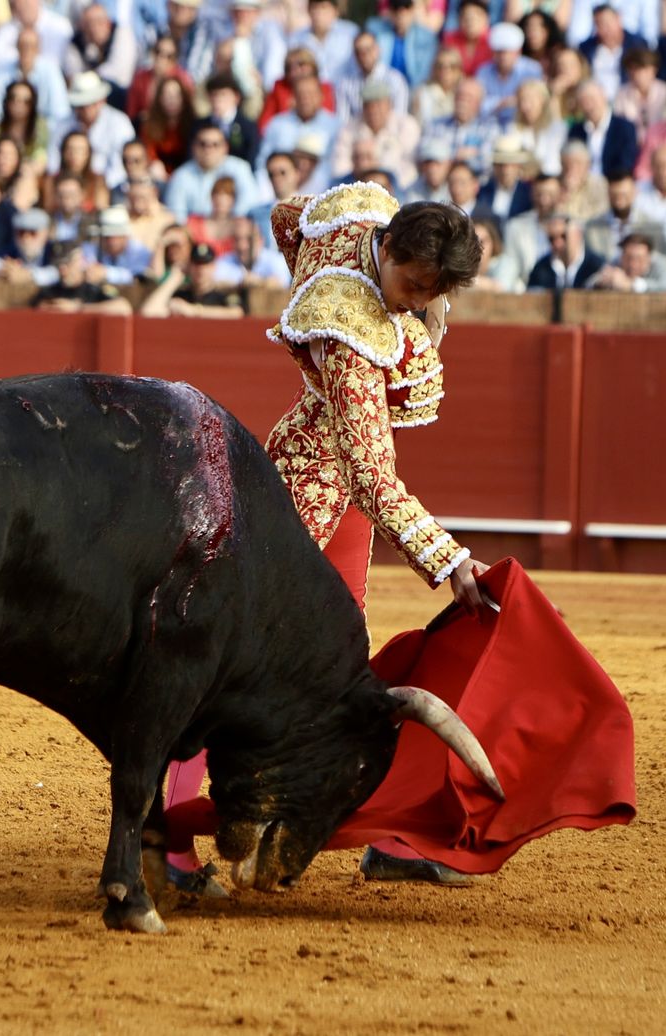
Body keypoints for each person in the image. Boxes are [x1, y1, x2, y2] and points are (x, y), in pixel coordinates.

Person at [164, 190, 490, 891]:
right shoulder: (346, 327)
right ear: (394, 250)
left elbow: (286, 214)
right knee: (237, 662)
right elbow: (372, 476)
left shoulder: (356, 216)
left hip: (325, 481)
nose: (415, 304)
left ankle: (385, 831)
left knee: (335, 666)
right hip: (312, 497)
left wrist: (303, 284)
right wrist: (448, 558)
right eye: (413, 286)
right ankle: (166, 837)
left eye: (433, 292)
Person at [528, 210, 604, 289]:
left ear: (578, 234)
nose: (558, 243)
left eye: (563, 236)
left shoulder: (596, 267)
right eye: (552, 239)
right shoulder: (541, 270)